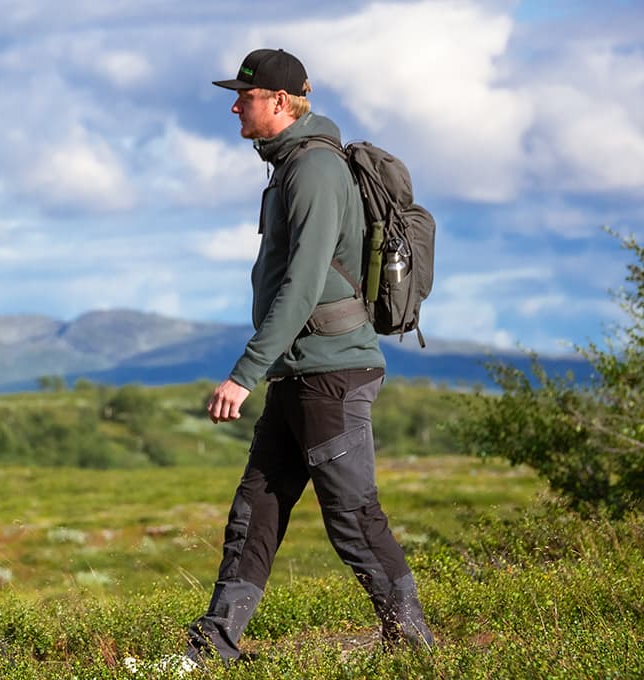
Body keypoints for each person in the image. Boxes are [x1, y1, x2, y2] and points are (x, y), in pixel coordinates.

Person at [189, 48, 436, 663]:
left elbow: (301, 284)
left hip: (332, 372)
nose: (234, 105)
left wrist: (244, 374)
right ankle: (215, 644)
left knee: (352, 515)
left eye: (244, 97)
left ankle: (415, 647)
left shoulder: (314, 172)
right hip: (302, 372)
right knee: (256, 508)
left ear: (280, 101)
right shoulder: (289, 168)